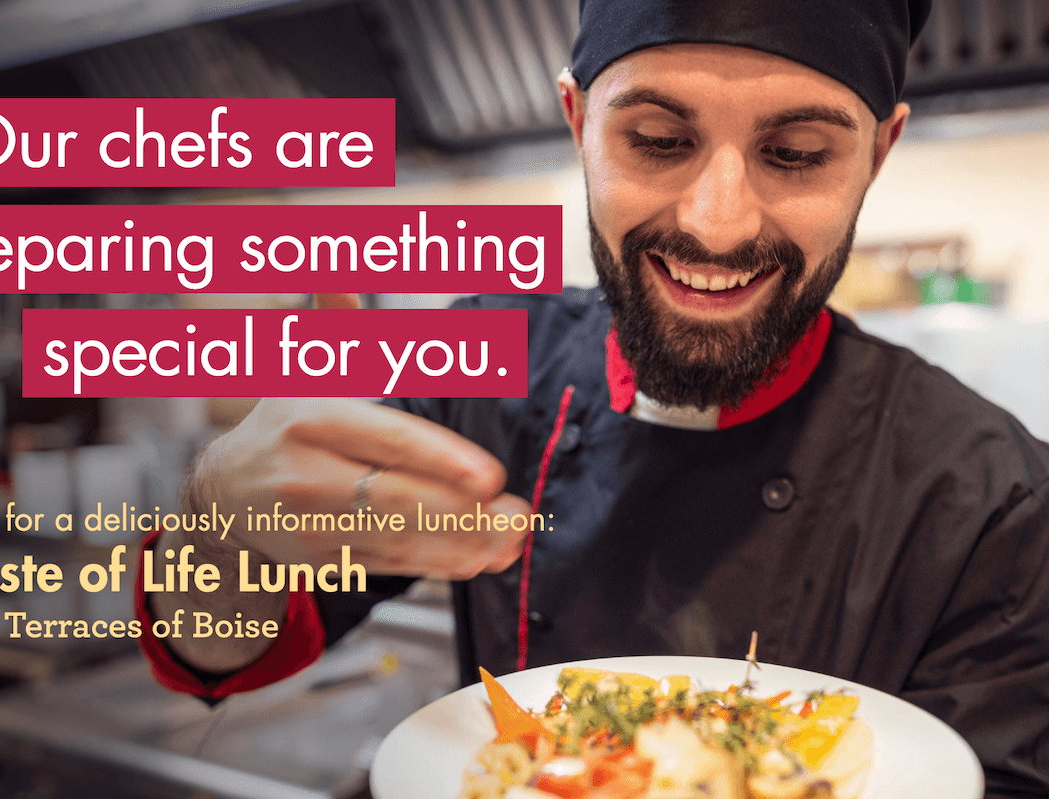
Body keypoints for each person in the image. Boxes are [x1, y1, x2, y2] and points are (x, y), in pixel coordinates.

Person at [137, 0, 1049, 794]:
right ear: (578, 122)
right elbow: (225, 646)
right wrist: (213, 530)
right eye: (657, 140)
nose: (715, 222)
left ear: (878, 154)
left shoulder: (997, 501)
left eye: (797, 154)